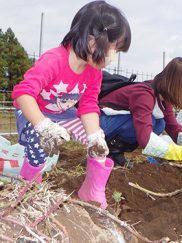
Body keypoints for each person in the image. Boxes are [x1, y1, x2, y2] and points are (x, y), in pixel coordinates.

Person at [11, 1, 131, 209]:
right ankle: (28, 187)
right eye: (113, 50)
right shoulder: (54, 60)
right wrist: (43, 126)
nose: (113, 58)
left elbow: (88, 105)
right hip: (33, 113)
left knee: (98, 146)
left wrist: (95, 136)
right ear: (93, 42)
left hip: (63, 115)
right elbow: (23, 94)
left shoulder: (93, 72)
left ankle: (91, 190)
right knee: (40, 143)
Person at [99, 57, 182, 170]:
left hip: (113, 123)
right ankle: (112, 149)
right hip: (99, 123)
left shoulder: (162, 98)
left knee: (160, 123)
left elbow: (174, 129)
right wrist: (181, 154)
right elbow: (145, 140)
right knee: (152, 122)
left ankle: (115, 152)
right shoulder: (144, 95)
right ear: (177, 87)